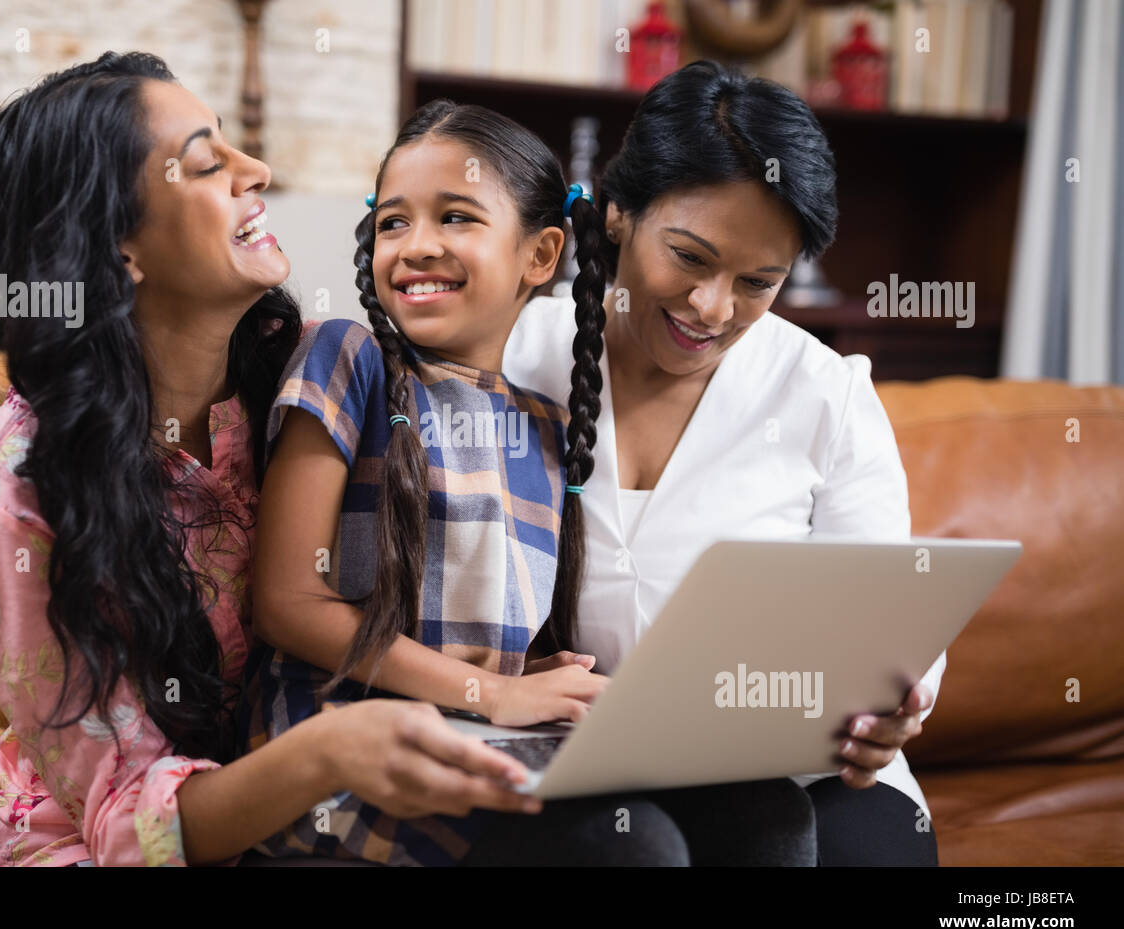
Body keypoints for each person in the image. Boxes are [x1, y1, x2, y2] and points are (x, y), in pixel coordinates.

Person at [0, 51, 544, 867]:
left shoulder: (300, 379)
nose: (259, 172)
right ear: (117, 249)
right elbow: (124, 829)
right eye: (209, 163)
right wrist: (331, 752)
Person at [244, 98, 818, 867]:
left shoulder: (547, 426)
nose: (415, 246)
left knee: (768, 810)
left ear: (541, 256)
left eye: (455, 218)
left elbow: (487, 630)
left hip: (477, 741)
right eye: (392, 222)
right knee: (633, 848)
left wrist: (533, 677)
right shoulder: (347, 358)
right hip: (344, 767)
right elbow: (287, 604)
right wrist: (494, 694)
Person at [503, 60, 943, 866]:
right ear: (618, 214)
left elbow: (893, 607)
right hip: (582, 764)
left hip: (791, 770)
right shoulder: (514, 357)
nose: (712, 308)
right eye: (690, 257)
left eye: (757, 282)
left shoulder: (824, 394)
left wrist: (895, 707)